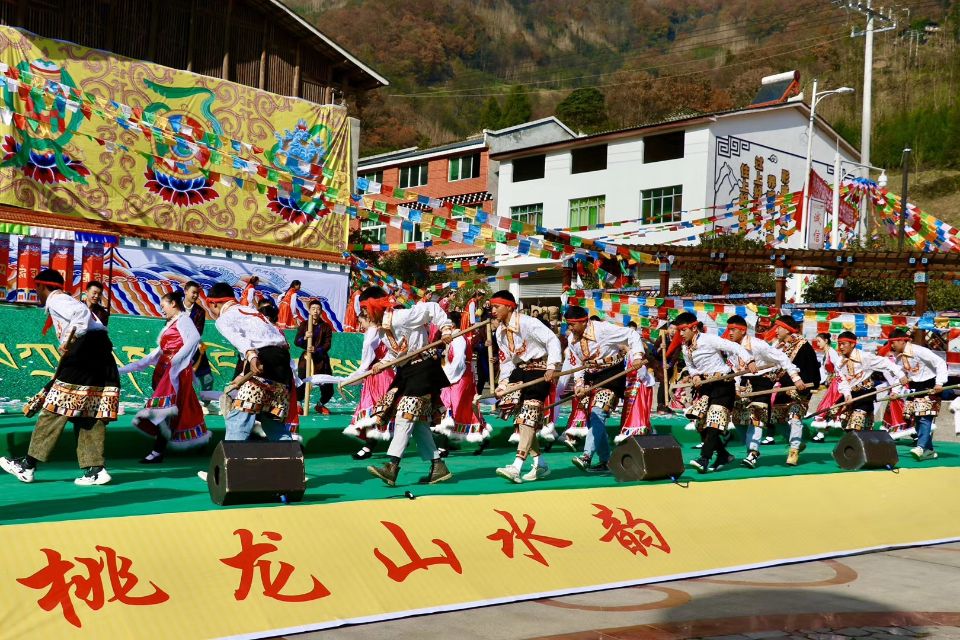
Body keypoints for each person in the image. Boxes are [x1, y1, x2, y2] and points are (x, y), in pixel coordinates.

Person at [1, 269, 119, 485]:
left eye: (36, 287)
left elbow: (81, 314)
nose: (36, 292)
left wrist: (70, 340)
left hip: (85, 354)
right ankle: (96, 469)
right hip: (101, 357)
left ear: (42, 286)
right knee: (88, 412)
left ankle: (27, 465)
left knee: (54, 408)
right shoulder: (65, 301)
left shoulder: (57, 299)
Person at [359, 286, 456, 487]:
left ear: (374, 305)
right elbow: (397, 352)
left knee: (405, 414)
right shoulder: (383, 328)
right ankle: (438, 466)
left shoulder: (401, 316)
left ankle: (392, 466)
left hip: (423, 368)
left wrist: (446, 328)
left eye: (365, 309)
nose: (364, 314)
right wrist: (382, 363)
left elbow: (431, 308)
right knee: (418, 423)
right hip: (407, 372)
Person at [119, 291, 208, 463]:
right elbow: (152, 356)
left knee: (163, 411)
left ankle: (157, 451)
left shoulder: (183, 320)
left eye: (163, 306)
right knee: (177, 410)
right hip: (164, 373)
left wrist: (177, 359)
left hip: (174, 374)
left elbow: (194, 338)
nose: (162, 310)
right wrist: (122, 369)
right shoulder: (171, 324)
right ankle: (194, 443)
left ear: (173, 303)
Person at [668, 311, 756, 473]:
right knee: (700, 424)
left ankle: (704, 459)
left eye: (683, 330)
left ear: (693, 328)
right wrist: (695, 375)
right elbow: (691, 366)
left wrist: (750, 360)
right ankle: (723, 455)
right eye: (679, 331)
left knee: (714, 421)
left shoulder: (709, 339)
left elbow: (735, 347)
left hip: (723, 384)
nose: (680, 334)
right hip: (707, 387)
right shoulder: (685, 348)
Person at [206, 282, 295, 442]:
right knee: (271, 419)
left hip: (261, 358)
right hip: (282, 361)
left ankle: (233, 455)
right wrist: (242, 374)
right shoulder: (251, 311)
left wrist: (252, 356)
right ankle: (290, 455)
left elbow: (239, 340)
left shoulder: (224, 318)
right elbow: (276, 338)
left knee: (239, 417)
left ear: (213, 304)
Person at [491, 290, 562, 484]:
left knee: (528, 417)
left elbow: (552, 339)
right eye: (492, 307)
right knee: (522, 421)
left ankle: (516, 466)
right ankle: (540, 463)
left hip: (539, 370)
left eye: (496, 306)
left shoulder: (528, 323)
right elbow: (506, 361)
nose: (493, 310)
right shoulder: (499, 332)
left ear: (509, 307)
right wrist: (503, 384)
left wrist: (552, 366)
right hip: (519, 373)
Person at [565, 306, 645, 473]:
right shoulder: (572, 339)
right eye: (568, 324)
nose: (570, 328)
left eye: (572, 324)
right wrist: (579, 384)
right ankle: (606, 461)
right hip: (590, 376)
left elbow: (631, 334)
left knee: (598, 413)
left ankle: (586, 456)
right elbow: (578, 363)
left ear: (584, 322)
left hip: (611, 374)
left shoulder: (603, 329)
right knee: (593, 418)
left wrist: (637, 356)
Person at [722, 315, 803, 468]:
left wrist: (796, 378)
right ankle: (749, 448)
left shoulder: (758, 345)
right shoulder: (731, 347)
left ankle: (753, 453)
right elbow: (735, 369)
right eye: (729, 329)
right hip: (744, 382)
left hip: (762, 381)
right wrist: (736, 387)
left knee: (756, 416)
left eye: (733, 329)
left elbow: (782, 358)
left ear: (742, 330)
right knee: (737, 420)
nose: (730, 333)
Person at [884, 328, 947, 461]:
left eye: (893, 342)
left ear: (902, 341)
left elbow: (940, 362)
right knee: (917, 421)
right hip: (915, 388)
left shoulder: (920, 351)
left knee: (924, 418)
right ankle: (929, 450)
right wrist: (895, 391)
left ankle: (921, 447)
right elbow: (901, 376)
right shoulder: (898, 357)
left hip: (929, 386)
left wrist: (939, 383)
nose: (892, 346)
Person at [766, 316, 821, 467]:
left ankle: (794, 451)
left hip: (800, 388)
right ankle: (796, 442)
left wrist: (807, 386)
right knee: (777, 419)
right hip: (782, 388)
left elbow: (812, 369)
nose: (776, 331)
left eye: (778, 327)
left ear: (787, 329)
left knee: (795, 417)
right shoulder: (779, 346)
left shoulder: (803, 345)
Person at [341, 316, 395, 459]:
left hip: (382, 375)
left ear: (369, 318)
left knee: (378, 411)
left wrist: (381, 362)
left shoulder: (379, 332)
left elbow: (391, 352)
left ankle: (370, 447)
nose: (360, 326)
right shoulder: (373, 332)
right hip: (373, 376)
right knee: (370, 412)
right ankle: (370, 447)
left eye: (361, 322)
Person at [832, 331, 909, 432]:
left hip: (865, 394)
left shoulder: (865, 357)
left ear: (852, 344)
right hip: (850, 394)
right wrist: (847, 394)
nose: (841, 347)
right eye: (839, 344)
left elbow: (885, 362)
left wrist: (900, 374)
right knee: (845, 424)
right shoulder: (839, 362)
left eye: (843, 344)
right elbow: (842, 380)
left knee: (856, 424)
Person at [436, 311, 489, 451]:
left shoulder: (458, 338)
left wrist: (448, 378)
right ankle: (481, 436)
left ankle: (443, 447)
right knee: (456, 408)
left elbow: (459, 361)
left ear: (452, 325)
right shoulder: (453, 338)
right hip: (455, 377)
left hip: (459, 378)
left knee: (452, 408)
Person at [295, 299, 334, 415]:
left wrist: (316, 350)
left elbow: (327, 344)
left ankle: (320, 404)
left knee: (327, 385)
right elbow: (297, 341)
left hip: (321, 359)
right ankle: (298, 404)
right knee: (301, 382)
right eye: (313, 309)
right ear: (309, 310)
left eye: (318, 309)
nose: (315, 311)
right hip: (307, 358)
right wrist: (305, 337)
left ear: (321, 311)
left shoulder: (326, 326)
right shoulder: (304, 325)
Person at [183, 281, 216, 411]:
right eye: (193, 292)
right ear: (186, 291)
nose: (195, 295)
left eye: (197, 293)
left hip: (195, 348)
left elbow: (198, 332)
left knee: (208, 378)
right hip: (176, 350)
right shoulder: (175, 307)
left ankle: (206, 404)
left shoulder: (200, 312)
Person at [811, 332, 843, 440]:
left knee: (826, 407)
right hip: (829, 384)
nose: (817, 343)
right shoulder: (826, 353)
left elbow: (838, 368)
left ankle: (821, 434)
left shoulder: (832, 353)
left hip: (835, 384)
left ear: (825, 341)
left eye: (819, 341)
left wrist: (836, 382)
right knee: (826, 408)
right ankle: (821, 434)